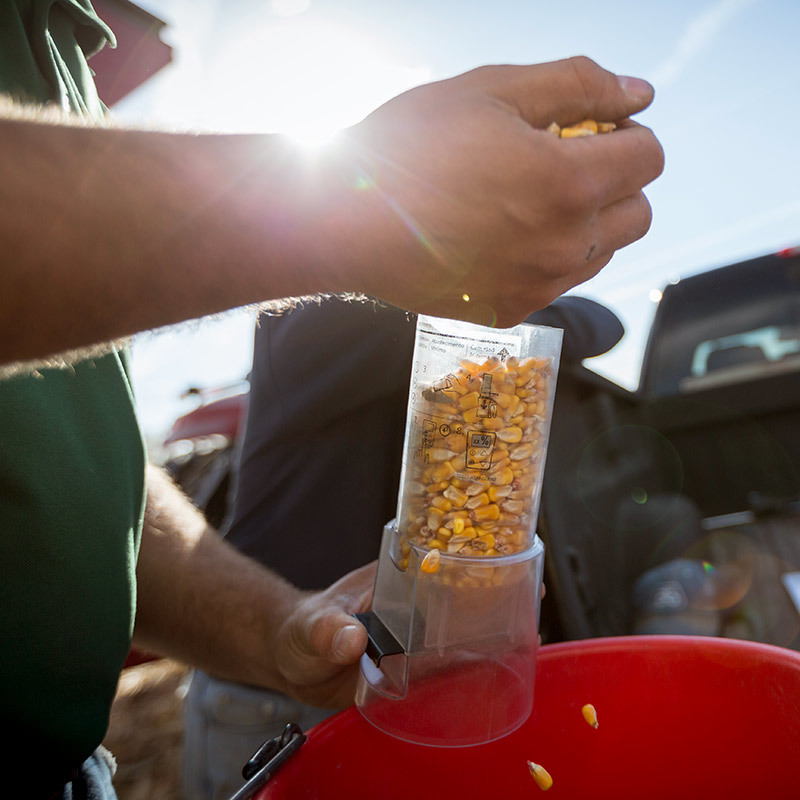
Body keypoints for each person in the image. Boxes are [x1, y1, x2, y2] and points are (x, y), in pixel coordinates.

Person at [0, 1, 664, 796]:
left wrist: (276, 627)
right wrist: (366, 206)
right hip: (249, 708)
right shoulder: (347, 302)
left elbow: (80, 472)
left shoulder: (63, 44)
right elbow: (583, 321)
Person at [182, 293, 625, 800]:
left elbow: (602, 322)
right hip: (265, 689)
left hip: (384, 667)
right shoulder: (320, 309)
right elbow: (510, 315)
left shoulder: (422, 325)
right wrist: (529, 307)